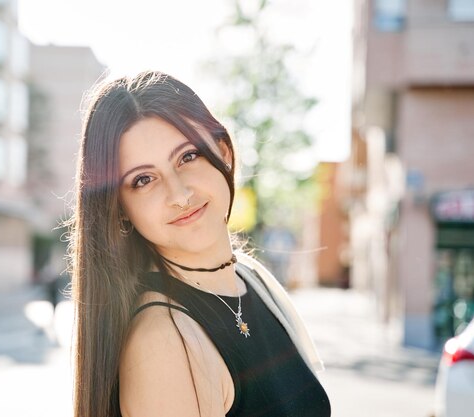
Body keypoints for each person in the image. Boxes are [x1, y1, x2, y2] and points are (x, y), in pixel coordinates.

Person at [69, 70, 331, 417]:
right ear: (120, 210)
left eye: (187, 156)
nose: (179, 194)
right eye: (143, 179)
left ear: (221, 151)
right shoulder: (164, 342)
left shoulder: (251, 280)